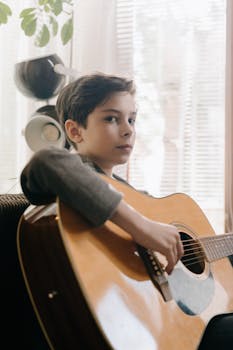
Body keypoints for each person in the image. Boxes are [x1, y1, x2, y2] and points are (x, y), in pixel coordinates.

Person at [20, 73, 233, 349]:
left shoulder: (142, 200)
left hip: (177, 327)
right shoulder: (75, 178)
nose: (128, 129)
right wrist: (142, 227)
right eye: (111, 118)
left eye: (132, 119)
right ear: (74, 131)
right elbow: (45, 161)